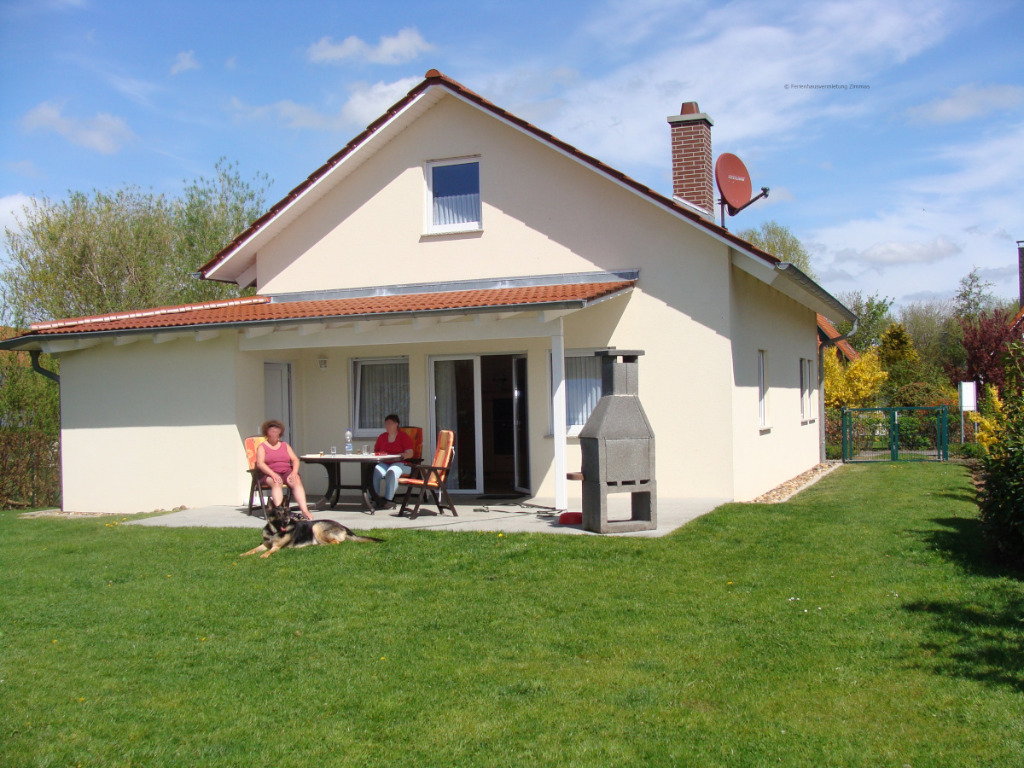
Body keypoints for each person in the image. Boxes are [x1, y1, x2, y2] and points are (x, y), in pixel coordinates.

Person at [255, 419, 313, 520]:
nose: (274, 433)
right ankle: (279, 511)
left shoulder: (285, 445)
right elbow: (260, 463)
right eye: (272, 431)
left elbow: (295, 460)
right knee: (277, 482)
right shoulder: (262, 447)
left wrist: (294, 472)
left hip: (286, 471)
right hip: (269, 473)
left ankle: (304, 510)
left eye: (276, 431)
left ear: (280, 432)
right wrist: (273, 474)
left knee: (296, 480)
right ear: (266, 432)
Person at [370, 414, 414, 510]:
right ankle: (374, 498)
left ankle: (387, 500)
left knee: (392, 471)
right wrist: (379, 454)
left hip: (401, 464)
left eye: (390, 423)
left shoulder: (403, 436)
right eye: (386, 424)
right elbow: (376, 452)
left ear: (396, 424)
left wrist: (402, 455)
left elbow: (410, 453)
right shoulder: (382, 437)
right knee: (375, 470)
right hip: (385, 463)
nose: (387, 426)